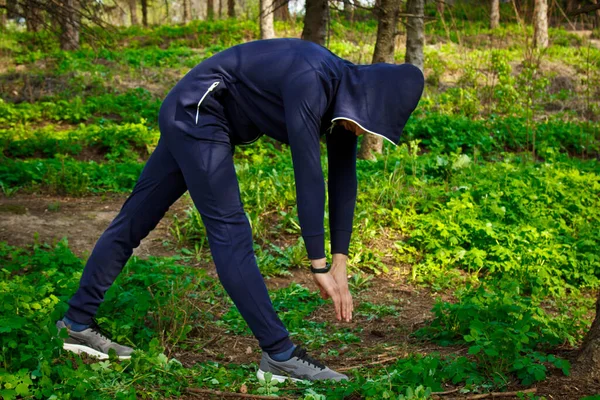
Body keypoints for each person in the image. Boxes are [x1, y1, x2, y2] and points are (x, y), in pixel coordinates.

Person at [55, 38, 424, 383]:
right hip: (199, 110)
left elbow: (344, 181)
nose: (359, 132)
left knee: (134, 220)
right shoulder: (312, 79)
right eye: (364, 123)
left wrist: (340, 258)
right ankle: (280, 354)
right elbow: (308, 172)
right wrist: (318, 264)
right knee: (231, 231)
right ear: (365, 98)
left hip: (199, 115)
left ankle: (76, 323)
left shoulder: (345, 102)